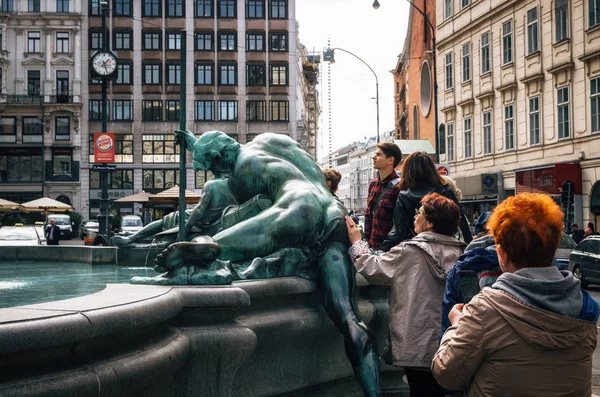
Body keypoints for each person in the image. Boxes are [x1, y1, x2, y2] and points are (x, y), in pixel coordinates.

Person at [155, 130, 381, 397]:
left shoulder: (239, 173)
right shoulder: (271, 140)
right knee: (347, 315)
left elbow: (250, 212)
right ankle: (374, 392)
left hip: (299, 209)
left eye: (214, 167)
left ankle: (212, 246)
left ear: (219, 158)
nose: (218, 175)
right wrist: (197, 144)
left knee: (242, 238)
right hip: (334, 215)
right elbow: (216, 149)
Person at [432, 193, 599, 396]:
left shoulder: (485, 311)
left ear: (501, 254)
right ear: (553, 247)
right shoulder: (584, 306)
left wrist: (458, 325)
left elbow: (445, 373)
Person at [346, 193, 465, 397]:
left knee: (420, 390)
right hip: (453, 341)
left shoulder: (411, 251)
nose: (414, 216)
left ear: (429, 223)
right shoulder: (462, 253)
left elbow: (373, 268)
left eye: (419, 212)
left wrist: (357, 242)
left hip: (416, 341)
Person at [379, 152, 472, 252]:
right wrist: (469, 249)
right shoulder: (445, 191)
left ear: (407, 171)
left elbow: (399, 232)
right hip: (448, 247)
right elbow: (462, 224)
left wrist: (382, 251)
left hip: (420, 250)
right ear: (431, 169)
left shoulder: (404, 196)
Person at [111, 179, 237, 246]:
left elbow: (199, 209)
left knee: (166, 220)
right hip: (216, 221)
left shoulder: (212, 185)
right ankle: (132, 236)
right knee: (169, 220)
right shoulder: (236, 186)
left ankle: (132, 238)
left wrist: (186, 228)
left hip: (201, 220)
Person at [440, 211, 501, 338]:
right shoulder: (522, 262)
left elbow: (448, 322)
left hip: (469, 343)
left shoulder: (460, 267)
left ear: (476, 237)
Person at [364, 142, 402, 251]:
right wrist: (367, 242)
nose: (373, 157)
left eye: (379, 155)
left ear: (390, 160)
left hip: (389, 250)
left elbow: (399, 223)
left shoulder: (399, 186)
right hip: (372, 248)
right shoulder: (373, 184)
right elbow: (368, 216)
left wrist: (387, 247)